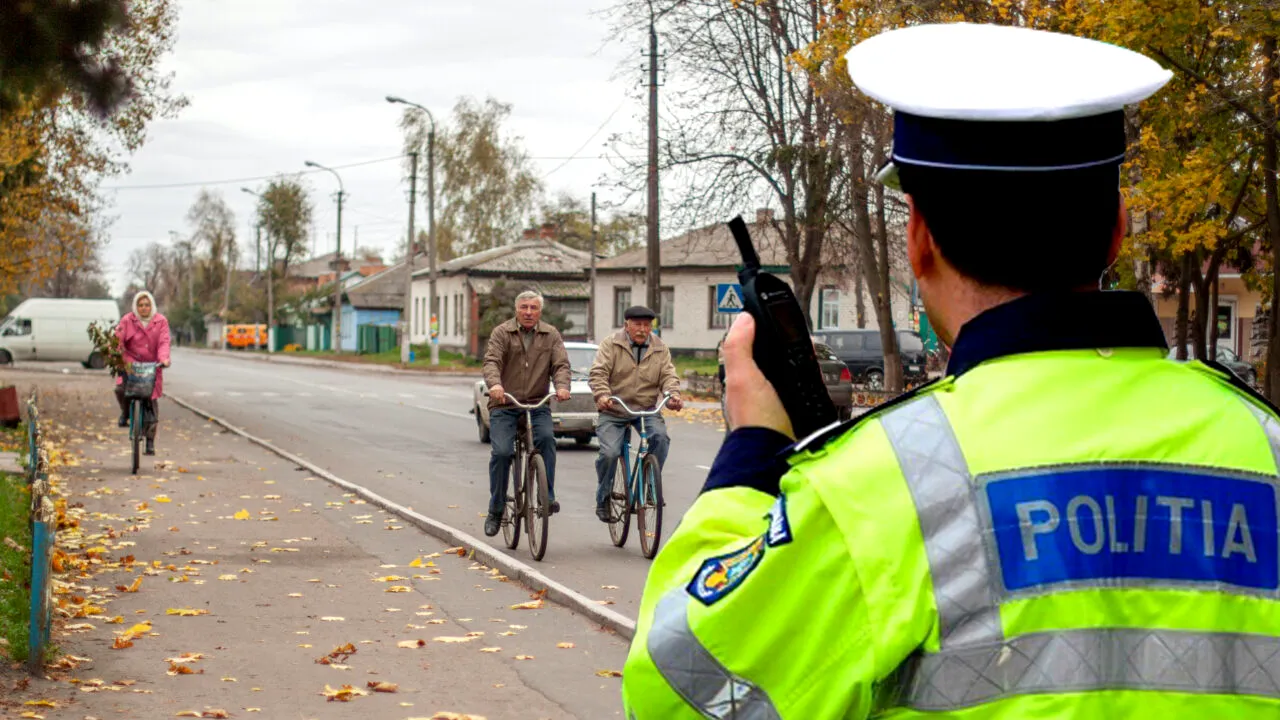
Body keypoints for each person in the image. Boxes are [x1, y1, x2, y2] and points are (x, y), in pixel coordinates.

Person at [622, 23, 1280, 718]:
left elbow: (675, 696)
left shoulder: (879, 488)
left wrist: (751, 458)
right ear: (1117, 230)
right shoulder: (1264, 445)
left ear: (919, 239)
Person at [481, 290, 571, 537]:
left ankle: (547, 495)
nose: (528, 312)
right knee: (501, 452)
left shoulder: (550, 334)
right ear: (516, 310)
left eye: (533, 308)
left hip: (536, 403)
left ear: (540, 311)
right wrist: (495, 385)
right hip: (505, 405)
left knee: (546, 439)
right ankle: (496, 508)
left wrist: (562, 386)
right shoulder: (502, 333)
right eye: (524, 307)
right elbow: (491, 362)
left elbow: (561, 364)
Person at [588, 306, 684, 522]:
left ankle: (649, 485)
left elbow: (669, 375)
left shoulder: (660, 348)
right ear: (626, 325)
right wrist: (603, 395)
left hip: (646, 409)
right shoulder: (611, 344)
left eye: (647, 325)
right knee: (610, 453)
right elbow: (598, 372)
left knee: (660, 438)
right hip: (614, 407)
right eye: (638, 324)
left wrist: (673, 395)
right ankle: (603, 496)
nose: (643, 329)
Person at [114, 291, 171, 456]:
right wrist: (116, 356)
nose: (144, 308)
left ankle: (150, 441)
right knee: (120, 389)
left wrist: (164, 359)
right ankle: (125, 413)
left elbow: (164, 342)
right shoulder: (127, 320)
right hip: (130, 364)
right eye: (140, 305)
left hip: (152, 366)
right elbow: (118, 340)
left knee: (151, 403)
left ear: (151, 305)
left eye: (147, 305)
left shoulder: (160, 321)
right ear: (135, 307)